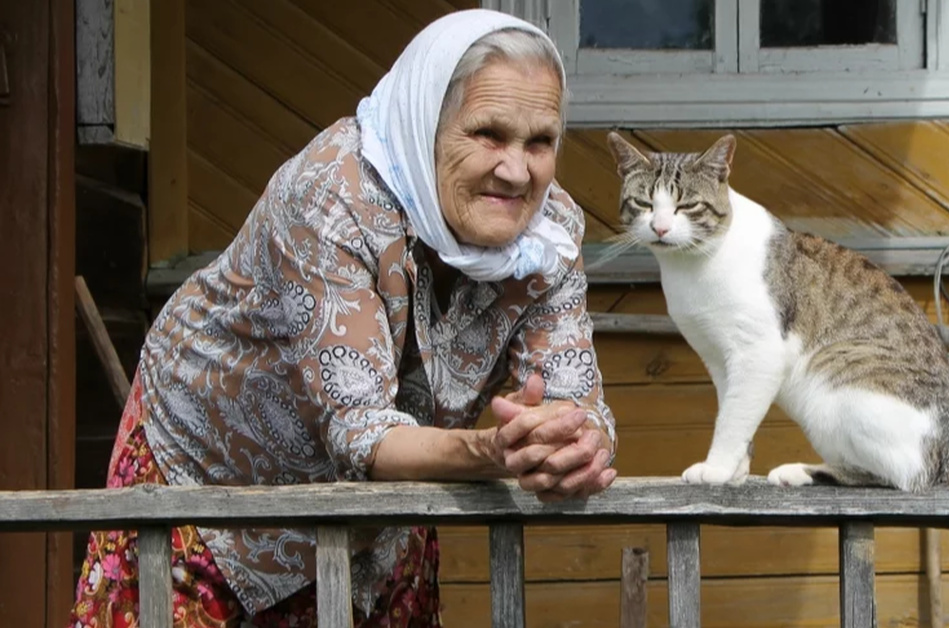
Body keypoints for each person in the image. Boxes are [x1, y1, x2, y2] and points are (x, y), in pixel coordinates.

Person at [67, 9, 618, 627]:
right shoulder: (331, 196)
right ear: (426, 124)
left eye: (540, 142)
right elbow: (362, 433)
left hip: (383, 507)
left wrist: (575, 443)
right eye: (488, 134)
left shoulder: (550, 234)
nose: (517, 171)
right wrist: (495, 450)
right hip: (212, 488)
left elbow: (577, 400)